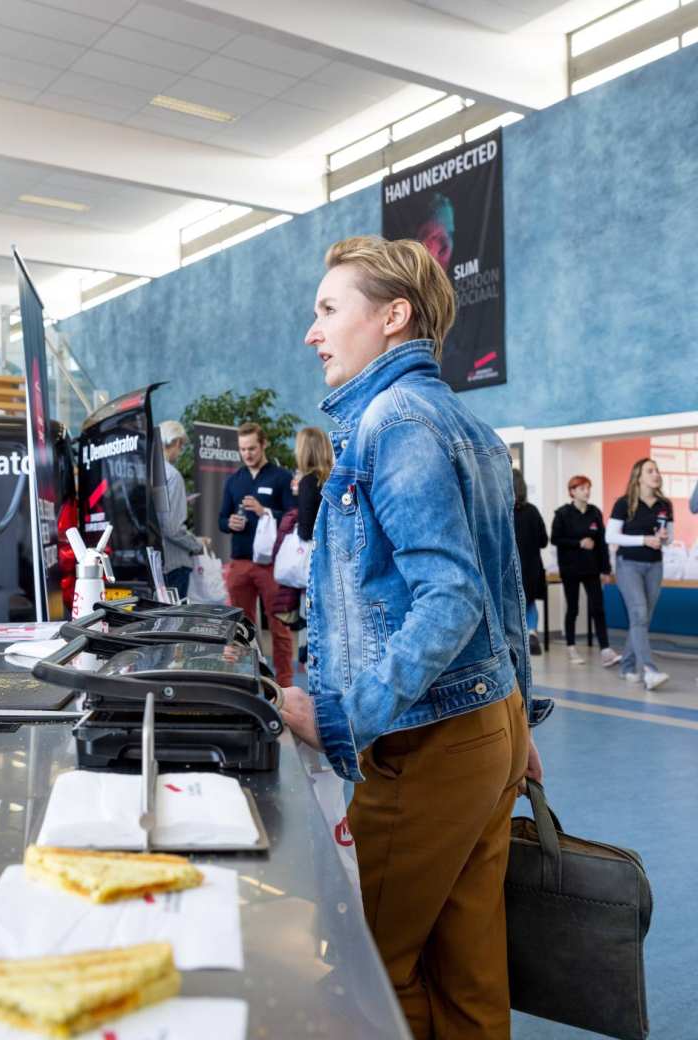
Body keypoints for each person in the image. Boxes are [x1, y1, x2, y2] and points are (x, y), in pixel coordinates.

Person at [281, 235, 547, 1040]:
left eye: (328, 309)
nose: (312, 331)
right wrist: (518, 721)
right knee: (468, 967)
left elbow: (454, 598)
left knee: (375, 965)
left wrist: (341, 716)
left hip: (424, 735)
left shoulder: (392, 422)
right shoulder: (469, 424)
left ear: (393, 317)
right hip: (485, 726)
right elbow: (504, 594)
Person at [218, 422, 296, 686]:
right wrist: (229, 523)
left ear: (263, 445)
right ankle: (246, 681)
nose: (247, 454)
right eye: (242, 449)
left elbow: (293, 517)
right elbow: (220, 519)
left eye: (252, 448)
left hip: (273, 565)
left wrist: (265, 512)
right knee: (240, 627)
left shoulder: (281, 478)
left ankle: (285, 685)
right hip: (240, 563)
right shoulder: (234, 480)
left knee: (280, 627)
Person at [607, 457, 672, 691]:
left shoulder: (664, 504)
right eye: (650, 470)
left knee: (641, 619)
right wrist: (643, 539)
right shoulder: (624, 503)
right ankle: (650, 670)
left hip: (655, 565)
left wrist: (663, 539)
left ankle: (626, 665)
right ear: (639, 476)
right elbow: (610, 537)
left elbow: (669, 538)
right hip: (628, 564)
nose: (656, 474)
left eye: (657, 470)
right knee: (639, 613)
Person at [550, 475, 620, 667]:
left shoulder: (595, 513)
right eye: (581, 488)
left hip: (592, 568)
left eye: (588, 488)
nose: (586, 492)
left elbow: (602, 544)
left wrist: (606, 569)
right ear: (572, 492)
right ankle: (571, 647)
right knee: (573, 608)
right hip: (571, 568)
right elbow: (555, 539)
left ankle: (605, 649)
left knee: (598, 608)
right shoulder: (563, 514)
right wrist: (578, 543)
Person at [273, 427, 333, 628]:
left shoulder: (309, 481)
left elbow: (306, 530)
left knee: (312, 629)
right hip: (333, 561)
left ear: (304, 450)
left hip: (314, 563)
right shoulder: (333, 479)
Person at [158, 421, 203, 600]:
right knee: (174, 623)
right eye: (181, 445)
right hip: (174, 563)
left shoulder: (146, 472)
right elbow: (171, 528)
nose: (180, 451)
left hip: (155, 564)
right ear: (176, 442)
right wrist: (197, 544)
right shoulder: (173, 476)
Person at [511, 468, 548, 656]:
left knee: (512, 604)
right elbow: (544, 540)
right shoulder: (532, 511)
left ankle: (515, 640)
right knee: (530, 602)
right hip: (533, 568)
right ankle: (532, 632)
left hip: (512, 568)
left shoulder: (504, 512)